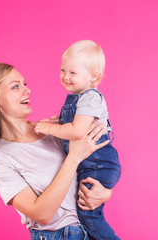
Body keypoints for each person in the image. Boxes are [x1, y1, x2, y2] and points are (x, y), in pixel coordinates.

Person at [0, 62, 114, 240]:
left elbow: (92, 169)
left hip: (93, 230)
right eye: (15, 86)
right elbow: (42, 214)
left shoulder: (53, 130)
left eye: (25, 84)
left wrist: (105, 193)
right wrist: (74, 157)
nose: (27, 90)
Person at [35, 40, 121, 240]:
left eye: (72, 73)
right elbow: (77, 123)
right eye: (63, 70)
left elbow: (77, 131)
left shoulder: (91, 97)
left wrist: (51, 128)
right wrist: (61, 121)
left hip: (99, 164)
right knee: (84, 216)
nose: (65, 76)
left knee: (89, 215)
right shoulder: (78, 96)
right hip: (89, 162)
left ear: (93, 76)